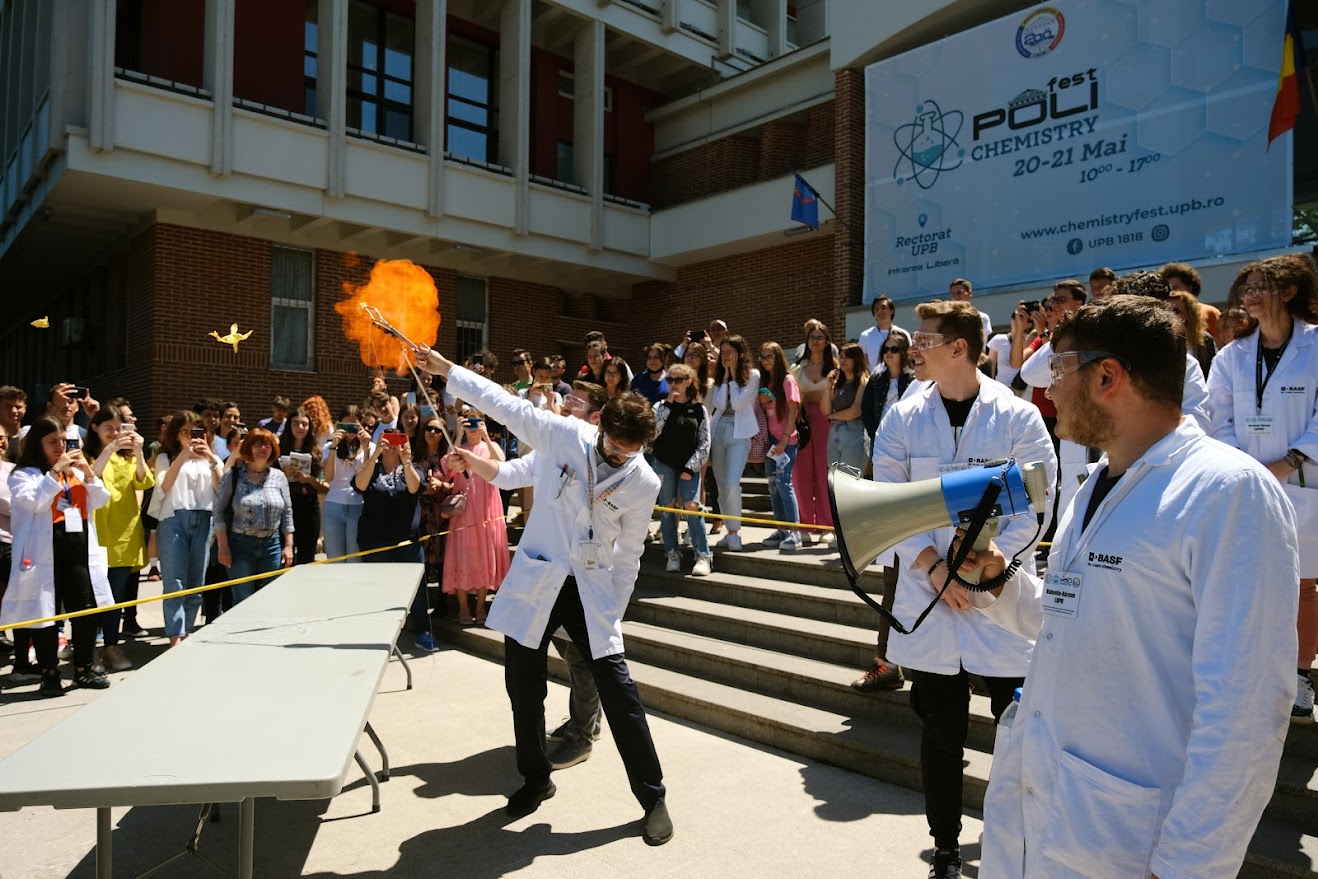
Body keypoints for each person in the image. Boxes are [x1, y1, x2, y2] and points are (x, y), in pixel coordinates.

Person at [974, 295, 1298, 879]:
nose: (1049, 391)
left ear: (1107, 375)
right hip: (1042, 819)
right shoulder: (1095, 485)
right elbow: (1065, 617)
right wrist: (997, 582)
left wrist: (1188, 867)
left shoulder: (1228, 492)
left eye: (1057, 370)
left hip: (1129, 847)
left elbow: (1246, 710)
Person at [427, 344, 673, 846]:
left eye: (630, 452)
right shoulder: (565, 435)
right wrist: (449, 372)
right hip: (540, 578)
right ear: (600, 425)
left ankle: (653, 797)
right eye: (614, 447)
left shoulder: (643, 480)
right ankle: (536, 779)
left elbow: (629, 555)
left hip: (591, 589)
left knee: (619, 690)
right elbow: (507, 405)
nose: (619, 457)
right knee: (524, 687)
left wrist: (613, 612)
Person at [870, 300, 1056, 878]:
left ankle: (1015, 843)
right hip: (929, 596)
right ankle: (945, 849)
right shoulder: (903, 415)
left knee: (1014, 728)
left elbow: (1037, 505)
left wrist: (975, 572)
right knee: (941, 736)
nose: (913, 346)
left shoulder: (1018, 417)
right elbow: (884, 499)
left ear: (960, 348)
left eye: (925, 338)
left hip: (995, 595)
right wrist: (931, 567)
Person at [1207, 252, 1318, 724]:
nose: (1249, 296)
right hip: (1248, 481)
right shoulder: (1232, 355)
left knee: (1305, 584)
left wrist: (1289, 461)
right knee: (1251, 579)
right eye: (1246, 288)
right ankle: (1255, 672)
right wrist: (1247, 465)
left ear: (1289, 291)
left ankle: (1300, 677)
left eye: (1260, 286)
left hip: (1304, 478)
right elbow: (1220, 417)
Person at [0, 416, 115, 696]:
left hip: (78, 553)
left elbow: (100, 500)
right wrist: (54, 473)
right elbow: (34, 503)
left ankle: (83, 671)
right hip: (44, 556)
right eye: (52, 442)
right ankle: (50, 674)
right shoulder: (24, 474)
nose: (60, 446)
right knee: (45, 616)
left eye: (63, 441)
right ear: (37, 444)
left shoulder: (74, 471)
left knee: (85, 613)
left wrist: (88, 473)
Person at [853, 332, 917, 693]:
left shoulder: (933, 392)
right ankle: (886, 664)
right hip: (895, 502)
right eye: (887, 349)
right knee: (892, 590)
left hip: (930, 507)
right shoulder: (882, 386)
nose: (894, 355)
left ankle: (953, 675)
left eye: (901, 349)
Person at [354, 426, 436, 653]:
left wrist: (406, 460)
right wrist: (374, 455)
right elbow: (360, 485)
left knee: (417, 588)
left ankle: (423, 631)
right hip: (374, 540)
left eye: (398, 440)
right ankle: (378, 632)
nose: (392, 445)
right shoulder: (373, 467)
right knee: (376, 588)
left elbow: (415, 487)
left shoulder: (413, 467)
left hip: (407, 542)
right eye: (387, 440)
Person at [84, 408, 152, 672]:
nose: (115, 433)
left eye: (118, 428)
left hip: (124, 535)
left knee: (115, 598)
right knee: (89, 599)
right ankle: (88, 650)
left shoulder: (127, 457)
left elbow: (143, 482)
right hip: (95, 535)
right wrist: (110, 448)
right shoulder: (85, 455)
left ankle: (111, 645)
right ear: (94, 428)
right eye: (108, 428)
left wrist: (139, 451)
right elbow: (92, 476)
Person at [152, 411, 222, 646]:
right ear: (176, 434)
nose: (192, 438)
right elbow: (164, 484)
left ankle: (187, 629)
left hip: (203, 518)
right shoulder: (166, 457)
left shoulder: (210, 457)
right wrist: (183, 454)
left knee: (196, 582)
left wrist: (210, 457)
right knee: (174, 582)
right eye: (185, 432)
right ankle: (175, 635)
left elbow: (220, 488)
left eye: (197, 432)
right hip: (174, 519)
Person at [441, 414, 510, 625]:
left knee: (485, 556)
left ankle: (480, 607)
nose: (472, 427)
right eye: (468, 423)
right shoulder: (458, 449)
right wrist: (459, 433)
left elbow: (501, 462)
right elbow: (448, 466)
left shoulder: (490, 448)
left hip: (487, 511)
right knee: (461, 556)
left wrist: (486, 437)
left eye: (476, 423)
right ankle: (463, 608)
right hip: (465, 513)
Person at [214, 428, 294, 604]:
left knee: (270, 597)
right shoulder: (233, 475)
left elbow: (287, 513)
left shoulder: (279, 477)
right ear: (248, 447)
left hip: (271, 545)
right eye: (257, 444)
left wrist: (288, 546)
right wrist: (223, 547)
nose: (262, 448)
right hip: (240, 545)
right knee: (243, 599)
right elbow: (218, 512)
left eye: (267, 444)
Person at [652, 363, 713, 574]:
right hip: (663, 463)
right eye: (670, 380)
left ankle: (703, 555)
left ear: (688, 382)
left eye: (678, 380)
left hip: (688, 465)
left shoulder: (698, 409)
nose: (673, 384)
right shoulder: (660, 406)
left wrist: (692, 467)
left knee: (691, 507)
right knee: (668, 508)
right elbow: (653, 431)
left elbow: (704, 443)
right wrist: (668, 406)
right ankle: (672, 552)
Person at [709, 334, 761, 552]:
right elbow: (718, 403)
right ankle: (729, 531)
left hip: (739, 434)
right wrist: (725, 376)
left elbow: (739, 403)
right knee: (721, 486)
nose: (725, 357)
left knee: (731, 483)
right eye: (723, 352)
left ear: (740, 353)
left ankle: (735, 532)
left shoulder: (753, 375)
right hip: (719, 430)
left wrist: (730, 378)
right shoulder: (721, 376)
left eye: (730, 352)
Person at [756, 342, 803, 552]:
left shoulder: (788, 380)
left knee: (784, 484)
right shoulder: (767, 381)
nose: (766, 361)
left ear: (778, 357)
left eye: (769, 356)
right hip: (770, 442)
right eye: (763, 357)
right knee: (773, 486)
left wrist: (785, 439)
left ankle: (794, 532)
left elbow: (793, 410)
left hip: (787, 440)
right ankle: (782, 529)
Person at [793, 320, 837, 545]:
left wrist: (819, 398)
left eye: (820, 337)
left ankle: (827, 525)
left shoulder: (836, 367)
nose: (816, 341)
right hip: (802, 424)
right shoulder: (797, 369)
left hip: (827, 423)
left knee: (824, 474)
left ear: (827, 341)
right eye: (812, 337)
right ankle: (804, 523)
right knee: (801, 475)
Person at [323, 407, 373, 563]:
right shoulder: (328, 447)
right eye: (346, 426)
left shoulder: (370, 447)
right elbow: (328, 477)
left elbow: (367, 479)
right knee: (335, 559)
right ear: (338, 425)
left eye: (354, 425)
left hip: (358, 505)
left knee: (354, 559)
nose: (350, 430)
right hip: (333, 506)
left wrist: (365, 449)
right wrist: (334, 445)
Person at [281, 408, 326, 566]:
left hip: (308, 506)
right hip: (285, 507)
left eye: (304, 424)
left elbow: (325, 486)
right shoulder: (279, 448)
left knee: (307, 556)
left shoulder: (317, 452)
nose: (300, 427)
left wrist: (309, 480)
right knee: (285, 556)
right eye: (296, 424)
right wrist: (283, 473)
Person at [822, 341, 869, 478]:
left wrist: (833, 416)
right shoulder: (838, 383)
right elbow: (825, 411)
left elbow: (855, 411)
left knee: (850, 479)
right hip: (835, 434)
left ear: (857, 359)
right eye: (841, 357)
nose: (842, 360)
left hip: (855, 434)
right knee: (834, 481)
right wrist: (828, 387)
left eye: (847, 357)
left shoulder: (863, 381)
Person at [414, 414, 452, 586]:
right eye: (429, 428)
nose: (432, 432)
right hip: (421, 512)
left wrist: (441, 485)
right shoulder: (415, 457)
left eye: (437, 430)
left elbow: (457, 486)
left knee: (443, 555)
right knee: (423, 555)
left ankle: (442, 601)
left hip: (442, 514)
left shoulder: (447, 459)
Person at [1161, 260, 1220, 342]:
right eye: (1168, 289)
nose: (1171, 292)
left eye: (1175, 287)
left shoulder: (1210, 312)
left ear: (1189, 287)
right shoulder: (1162, 314)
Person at [1168, 288, 1216, 378]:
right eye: (1167, 310)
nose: (1170, 315)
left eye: (1176, 311)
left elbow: (1211, 373)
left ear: (1188, 314)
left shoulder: (1205, 340)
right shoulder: (1160, 339)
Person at [857, 296, 909, 374]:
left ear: (891, 311)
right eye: (876, 309)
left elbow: (908, 358)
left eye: (883, 308)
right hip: (875, 381)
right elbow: (862, 363)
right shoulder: (865, 336)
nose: (880, 311)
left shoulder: (903, 334)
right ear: (874, 314)